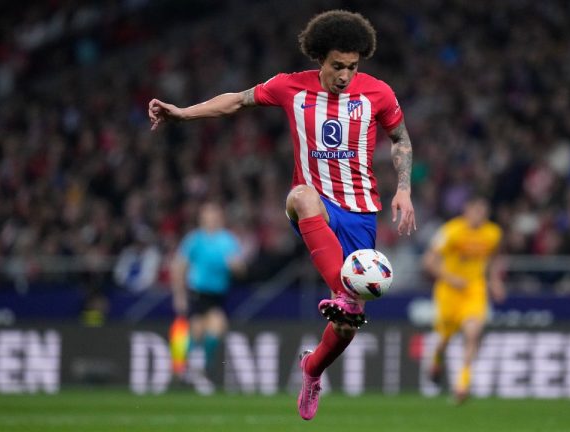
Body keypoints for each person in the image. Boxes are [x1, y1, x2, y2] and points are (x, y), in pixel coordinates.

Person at [149, 10, 416, 419]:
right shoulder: (290, 87)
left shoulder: (377, 93)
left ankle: (311, 369)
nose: (344, 75)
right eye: (337, 66)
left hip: (361, 211)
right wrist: (183, 113)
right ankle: (346, 294)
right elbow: (236, 101)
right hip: (314, 203)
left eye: (352, 67)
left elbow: (400, 139)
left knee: (344, 330)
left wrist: (404, 189)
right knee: (303, 196)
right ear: (319, 59)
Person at [422, 196, 505, 404]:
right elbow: (429, 261)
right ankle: (436, 361)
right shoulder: (451, 231)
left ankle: (462, 384)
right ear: (466, 210)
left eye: (483, 210)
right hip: (449, 291)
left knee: (472, 334)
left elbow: (494, 258)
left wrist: (494, 280)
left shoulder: (493, 233)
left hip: (474, 290)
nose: (479, 214)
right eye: (476, 209)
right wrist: (451, 278)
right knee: (444, 340)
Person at [171, 201, 246, 395]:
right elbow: (179, 267)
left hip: (218, 295)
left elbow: (240, 268)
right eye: (208, 215)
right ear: (202, 218)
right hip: (198, 293)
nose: (211, 219)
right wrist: (179, 295)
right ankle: (192, 368)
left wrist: (236, 266)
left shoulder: (227, 240)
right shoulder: (194, 240)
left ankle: (189, 368)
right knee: (203, 329)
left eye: (215, 215)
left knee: (212, 331)